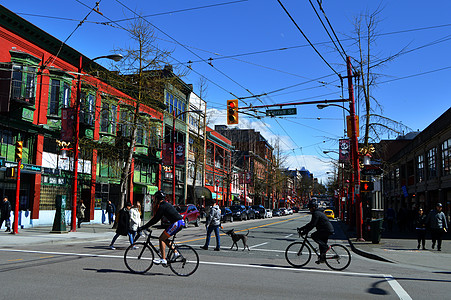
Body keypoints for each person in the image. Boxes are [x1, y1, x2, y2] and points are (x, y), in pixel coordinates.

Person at [138, 191, 184, 266]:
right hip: (179, 222)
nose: (154, 200)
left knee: (161, 239)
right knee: (164, 239)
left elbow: (155, 219)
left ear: (157, 198)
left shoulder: (162, 206)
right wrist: (145, 226)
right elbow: (156, 219)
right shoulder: (165, 205)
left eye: (155, 198)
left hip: (177, 223)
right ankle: (175, 252)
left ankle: (163, 259)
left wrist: (143, 227)